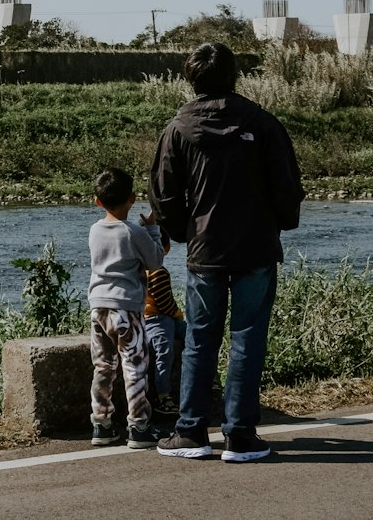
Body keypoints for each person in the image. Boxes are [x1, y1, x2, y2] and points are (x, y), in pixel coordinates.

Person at [149, 42, 303, 463]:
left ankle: (191, 432)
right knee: (248, 338)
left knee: (200, 339)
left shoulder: (178, 128)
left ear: (191, 78)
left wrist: (183, 232)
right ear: (235, 75)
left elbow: (162, 193)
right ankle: (240, 435)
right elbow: (286, 186)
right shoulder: (262, 122)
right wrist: (281, 224)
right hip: (256, 247)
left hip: (204, 250)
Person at [87, 165, 165, 450]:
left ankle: (101, 424)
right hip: (126, 309)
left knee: (103, 366)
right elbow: (155, 261)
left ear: (97, 201)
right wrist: (153, 229)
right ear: (132, 199)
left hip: (98, 306)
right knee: (134, 365)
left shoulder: (95, 230)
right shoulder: (133, 231)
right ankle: (139, 426)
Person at [144, 228, 186, 416]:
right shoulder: (158, 272)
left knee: (171, 347)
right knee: (165, 352)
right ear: (166, 248)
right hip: (156, 320)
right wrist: (178, 313)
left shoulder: (139, 268)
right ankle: (163, 396)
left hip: (151, 319)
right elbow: (165, 302)